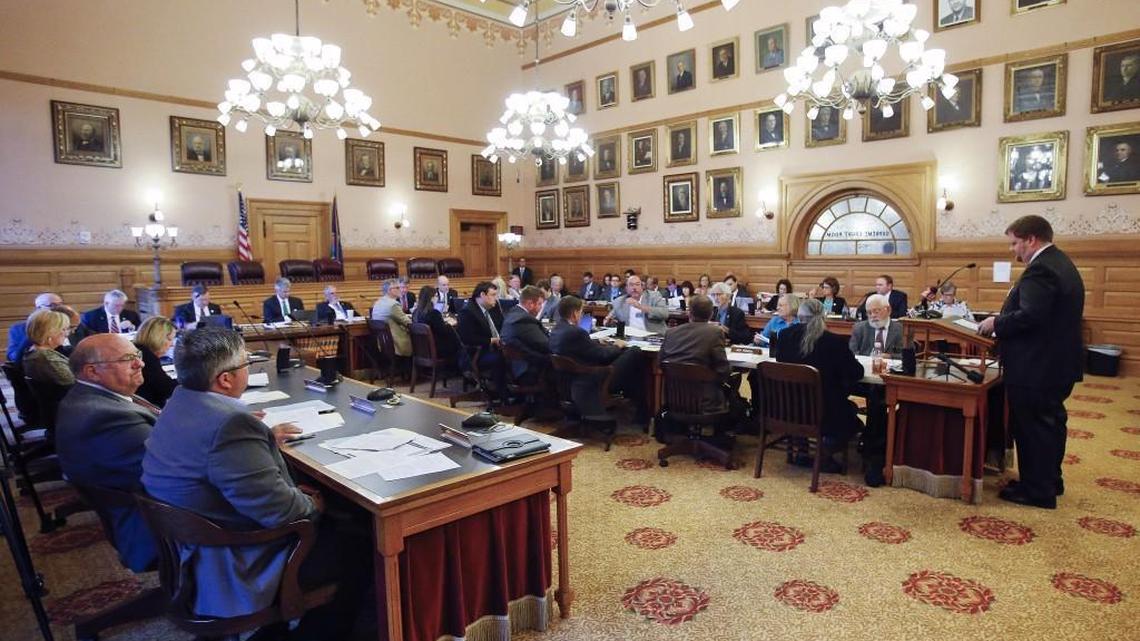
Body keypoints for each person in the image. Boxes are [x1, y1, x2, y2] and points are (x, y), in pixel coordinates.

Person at [142, 327, 370, 638]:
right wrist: (314, 503)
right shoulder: (230, 424)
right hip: (240, 559)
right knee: (362, 539)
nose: (248, 368)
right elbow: (285, 513)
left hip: (193, 543)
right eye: (246, 362)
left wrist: (262, 442)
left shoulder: (180, 403)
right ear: (225, 379)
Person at [977, 215, 1084, 509]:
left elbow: (1030, 316)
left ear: (1031, 239)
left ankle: (1037, 491)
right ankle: (1049, 479)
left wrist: (996, 323)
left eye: (1015, 243)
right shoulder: (1060, 262)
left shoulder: (1042, 269)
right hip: (1054, 363)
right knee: (1050, 423)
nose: (1013, 250)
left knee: (1033, 427)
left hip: (1037, 366)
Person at [56, 333, 158, 572]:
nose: (140, 363)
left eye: (138, 355)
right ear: (92, 372)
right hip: (154, 526)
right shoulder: (106, 417)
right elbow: (173, 473)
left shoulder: (98, 397)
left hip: (135, 509)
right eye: (128, 358)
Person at [773, 299, 864, 472]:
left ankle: (802, 450)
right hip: (824, 412)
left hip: (788, 409)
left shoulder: (784, 336)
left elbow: (780, 363)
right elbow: (855, 373)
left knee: (804, 400)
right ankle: (825, 453)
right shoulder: (834, 342)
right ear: (823, 316)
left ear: (799, 315)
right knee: (852, 417)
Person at [549, 296, 646, 421]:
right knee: (634, 352)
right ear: (575, 313)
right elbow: (602, 355)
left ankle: (635, 408)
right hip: (592, 381)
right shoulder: (577, 333)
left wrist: (593, 341)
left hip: (568, 383)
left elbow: (581, 347)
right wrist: (617, 345)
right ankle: (640, 410)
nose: (582, 315)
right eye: (581, 312)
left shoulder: (557, 329)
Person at [658, 294, 731, 413]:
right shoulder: (715, 332)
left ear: (689, 313)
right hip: (705, 401)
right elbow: (723, 370)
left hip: (674, 398)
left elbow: (660, 362)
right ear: (711, 314)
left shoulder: (671, 333)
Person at [456, 281, 506, 394]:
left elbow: (502, 325)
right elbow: (468, 339)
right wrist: (491, 340)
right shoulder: (467, 311)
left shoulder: (494, 306)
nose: (496, 298)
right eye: (493, 295)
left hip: (498, 346)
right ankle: (501, 394)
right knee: (502, 358)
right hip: (476, 354)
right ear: (483, 295)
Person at [501, 286, 550, 383]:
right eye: (539, 304)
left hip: (514, 366)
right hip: (527, 369)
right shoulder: (524, 320)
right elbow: (546, 345)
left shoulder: (513, 312)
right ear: (530, 304)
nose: (541, 308)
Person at [23, 308, 76, 386]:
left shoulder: (34, 351)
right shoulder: (47, 359)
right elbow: (75, 383)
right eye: (63, 329)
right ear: (49, 332)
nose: (67, 334)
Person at [134, 316, 177, 408]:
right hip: (149, 411)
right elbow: (167, 389)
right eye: (169, 339)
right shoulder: (147, 357)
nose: (172, 344)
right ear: (157, 338)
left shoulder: (138, 350)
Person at [7, 292, 62, 362]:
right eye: (52, 305)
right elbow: (12, 355)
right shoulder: (20, 329)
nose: (58, 309)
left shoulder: (72, 325)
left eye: (60, 305)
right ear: (39, 308)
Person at [410, 285, 460, 361]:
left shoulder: (416, 312)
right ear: (431, 298)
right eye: (436, 296)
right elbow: (443, 331)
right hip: (436, 349)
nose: (437, 298)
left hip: (421, 350)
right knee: (457, 340)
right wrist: (449, 324)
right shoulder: (434, 313)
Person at [372, 279, 412, 357]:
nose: (400, 290)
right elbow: (408, 322)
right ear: (389, 291)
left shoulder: (378, 302)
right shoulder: (393, 304)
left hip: (383, 342)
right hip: (396, 342)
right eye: (397, 288)